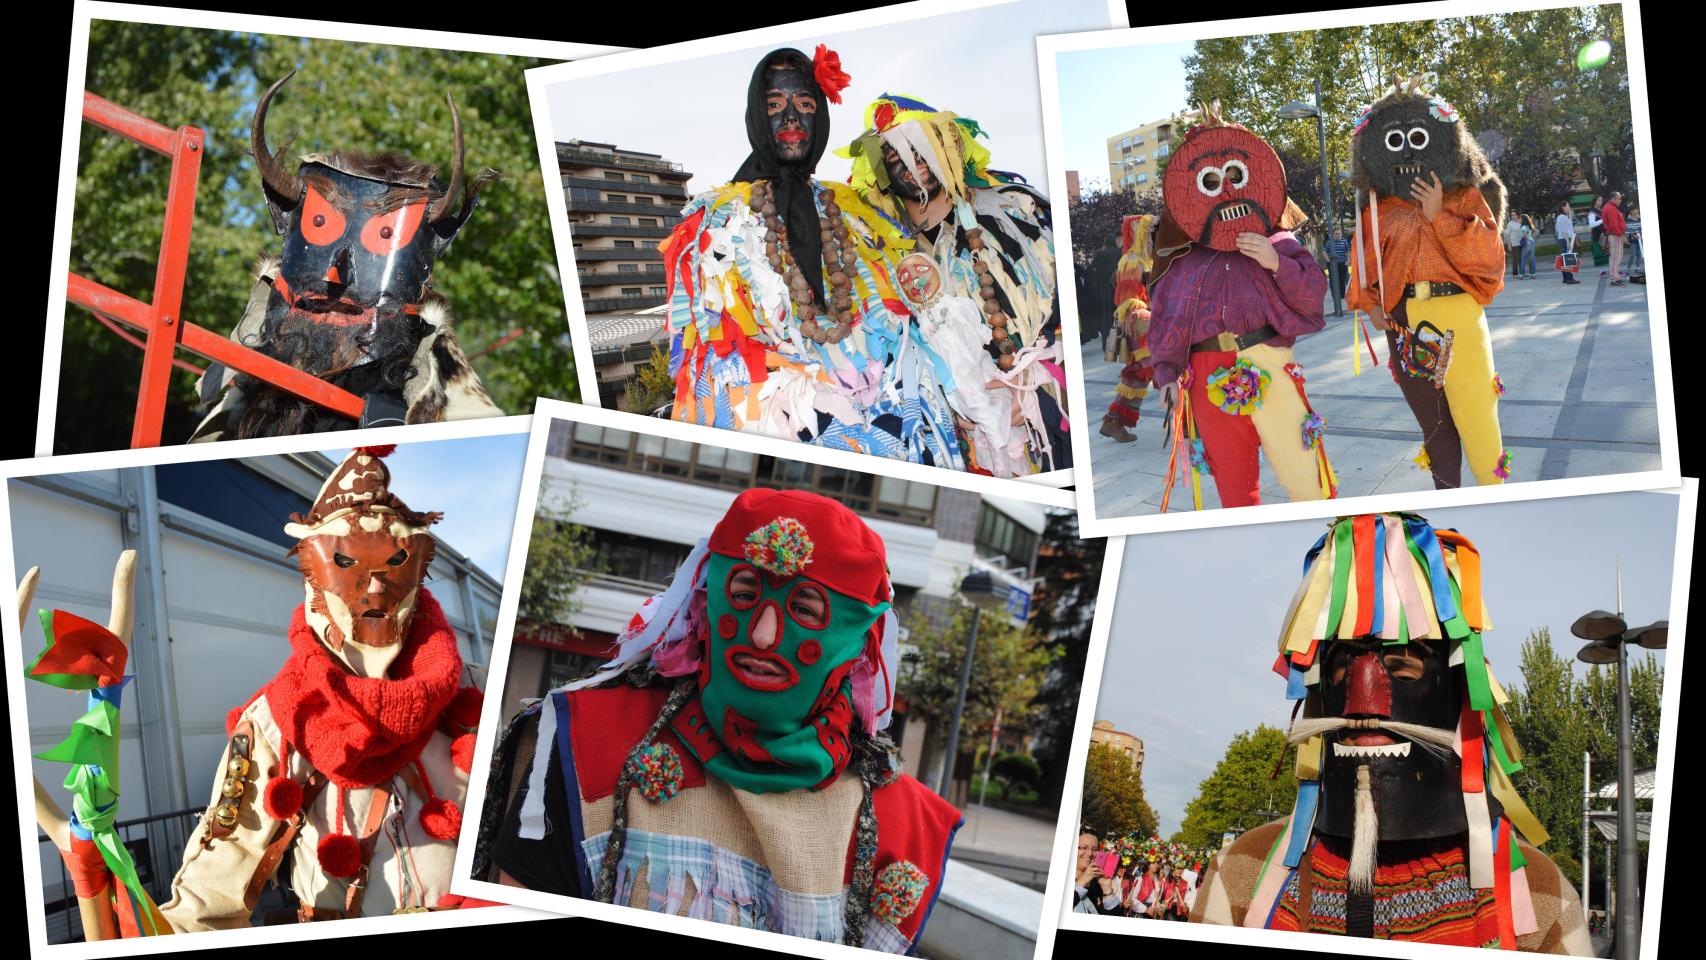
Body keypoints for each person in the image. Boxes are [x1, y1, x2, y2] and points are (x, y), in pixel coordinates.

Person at [476, 488, 962, 951]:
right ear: (709, 601)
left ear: (857, 640)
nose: (764, 635)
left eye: (805, 610)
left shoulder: (903, 821)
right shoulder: (589, 741)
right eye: (745, 593)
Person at [1191, 513, 1591, 953]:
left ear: (1459, 693)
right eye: (1343, 666)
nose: (1366, 704)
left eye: (1403, 667)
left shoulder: (1537, 893)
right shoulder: (1243, 870)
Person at [155, 446, 487, 926]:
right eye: (348, 564)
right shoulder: (276, 718)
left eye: (393, 562)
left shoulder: (476, 691)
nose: (374, 590)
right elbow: (210, 895)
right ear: (313, 578)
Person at [659, 49, 963, 469]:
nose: (790, 118)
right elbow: (714, 362)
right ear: (754, 114)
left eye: (804, 104)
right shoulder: (711, 225)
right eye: (773, 105)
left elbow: (899, 319)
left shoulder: (852, 211)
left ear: (820, 116)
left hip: (894, 423)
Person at [192, 73, 502, 441]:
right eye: (320, 223)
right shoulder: (239, 376)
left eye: (387, 235)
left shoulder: (456, 412)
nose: (336, 280)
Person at [841, 93, 1067, 476]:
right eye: (896, 155)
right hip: (955, 447)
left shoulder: (1016, 210)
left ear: (947, 144)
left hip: (1047, 417)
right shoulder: (882, 255)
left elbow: (1074, 307)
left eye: (920, 147)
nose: (913, 164)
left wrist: (1038, 378)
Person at [1144, 102, 1336, 509]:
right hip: (1205, 376)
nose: (1228, 188)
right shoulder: (1182, 257)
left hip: (1269, 360)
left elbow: (1313, 293)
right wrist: (1165, 374)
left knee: (1309, 482)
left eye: (1236, 175)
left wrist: (1274, 261)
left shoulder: (1279, 240)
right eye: (1213, 180)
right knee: (1234, 491)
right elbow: (1165, 318)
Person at [1346, 74, 1511, 490]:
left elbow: (1489, 260)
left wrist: (1439, 212)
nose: (1407, 151)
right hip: (1406, 323)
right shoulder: (1377, 208)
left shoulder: (1465, 198)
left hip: (1460, 316)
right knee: (1437, 430)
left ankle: (1497, 499)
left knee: (1479, 422)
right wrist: (1371, 304)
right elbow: (1364, 265)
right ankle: (1449, 507)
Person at [1100, 214, 1158, 443]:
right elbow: (1130, 301)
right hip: (1143, 328)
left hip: (1142, 326)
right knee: (1167, 370)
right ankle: (1184, 422)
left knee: (1137, 377)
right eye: (1149, 232)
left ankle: (1113, 421)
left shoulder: (1137, 258)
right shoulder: (1134, 260)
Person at [1074, 830, 1122, 914]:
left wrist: (1106, 889)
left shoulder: (1096, 885)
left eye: (1094, 849)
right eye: (1084, 847)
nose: (1090, 853)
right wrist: (1081, 883)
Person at [1603, 191, 1628, 285]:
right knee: (1615, 258)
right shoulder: (1611, 208)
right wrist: (1621, 236)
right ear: (1613, 199)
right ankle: (1614, 279)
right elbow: (1613, 225)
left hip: (1614, 235)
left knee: (1616, 257)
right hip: (1615, 235)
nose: (1620, 200)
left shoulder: (1610, 207)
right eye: (1619, 198)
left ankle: (1616, 277)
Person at [1554, 201, 1581, 286]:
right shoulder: (1562, 217)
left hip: (1565, 239)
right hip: (1566, 239)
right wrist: (1568, 241)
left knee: (1565, 258)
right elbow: (1564, 230)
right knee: (1568, 258)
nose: (1569, 208)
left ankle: (1565, 278)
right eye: (1567, 206)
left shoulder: (1561, 217)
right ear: (1563, 207)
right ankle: (1570, 279)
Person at [1326, 225, 1352, 300]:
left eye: (1339, 233)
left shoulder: (1344, 241)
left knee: (1342, 279)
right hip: (1332, 264)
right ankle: (1335, 296)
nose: (1338, 235)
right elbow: (1324, 251)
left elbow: (1349, 251)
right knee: (1333, 280)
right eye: (1336, 233)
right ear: (1333, 234)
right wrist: (1328, 260)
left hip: (1342, 263)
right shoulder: (1329, 242)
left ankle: (1342, 295)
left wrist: (1348, 260)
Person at [1587, 196, 1605, 273]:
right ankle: (1602, 271)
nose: (1601, 202)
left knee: (1605, 253)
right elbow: (1591, 224)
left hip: (1603, 234)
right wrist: (1603, 220)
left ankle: (1606, 270)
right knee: (1599, 254)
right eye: (1599, 200)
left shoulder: (1600, 210)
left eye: (1601, 200)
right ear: (1595, 201)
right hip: (1596, 236)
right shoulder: (1592, 212)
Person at [1503, 212, 1523, 277]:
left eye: (1514, 215)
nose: (1513, 216)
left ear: (1517, 215)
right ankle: (1515, 274)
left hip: (1522, 243)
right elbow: (1506, 235)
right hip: (1514, 244)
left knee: (1521, 258)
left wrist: (1520, 222)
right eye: (1512, 215)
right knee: (1515, 259)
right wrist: (1509, 245)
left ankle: (1522, 272)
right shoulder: (1510, 224)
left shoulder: (1520, 222)